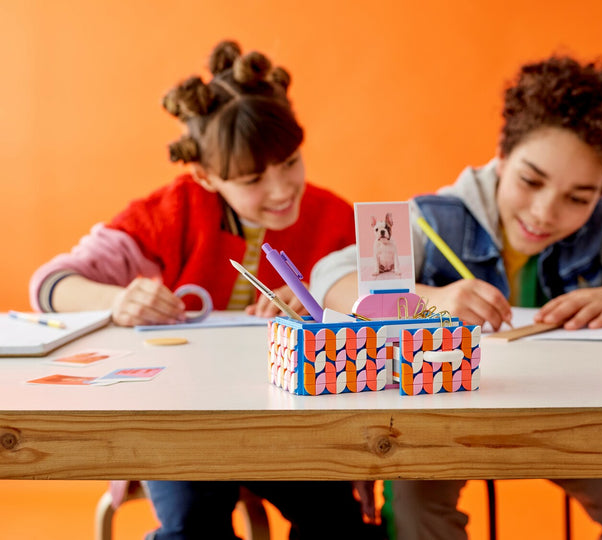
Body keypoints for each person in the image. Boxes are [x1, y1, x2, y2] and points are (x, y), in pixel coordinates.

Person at [310, 55, 602, 540]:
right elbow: (329, 277)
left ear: (600, 194)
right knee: (417, 508)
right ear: (501, 157)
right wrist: (429, 299)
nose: (546, 212)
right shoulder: (434, 220)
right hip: (439, 422)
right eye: (530, 180)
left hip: (561, 419)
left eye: (578, 197)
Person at [29, 40, 382, 540]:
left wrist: (326, 303)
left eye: (290, 162)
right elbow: (51, 284)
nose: (282, 189)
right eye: (254, 178)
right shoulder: (169, 216)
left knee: (338, 525)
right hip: (180, 425)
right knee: (193, 527)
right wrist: (117, 299)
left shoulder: (336, 222)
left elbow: (389, 313)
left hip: (294, 425)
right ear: (205, 176)